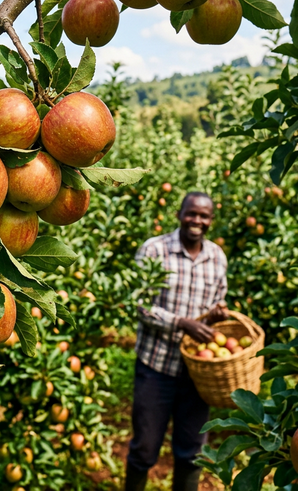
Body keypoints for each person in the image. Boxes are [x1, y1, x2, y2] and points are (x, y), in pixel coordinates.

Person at [124, 192, 228, 491]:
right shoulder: (155, 250)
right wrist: (181, 323)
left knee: (192, 452)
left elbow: (217, 302)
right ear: (179, 214)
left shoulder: (217, 257)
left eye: (204, 216)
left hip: (198, 374)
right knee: (144, 447)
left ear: (211, 220)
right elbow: (140, 304)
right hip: (156, 367)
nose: (197, 220)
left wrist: (217, 316)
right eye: (192, 213)